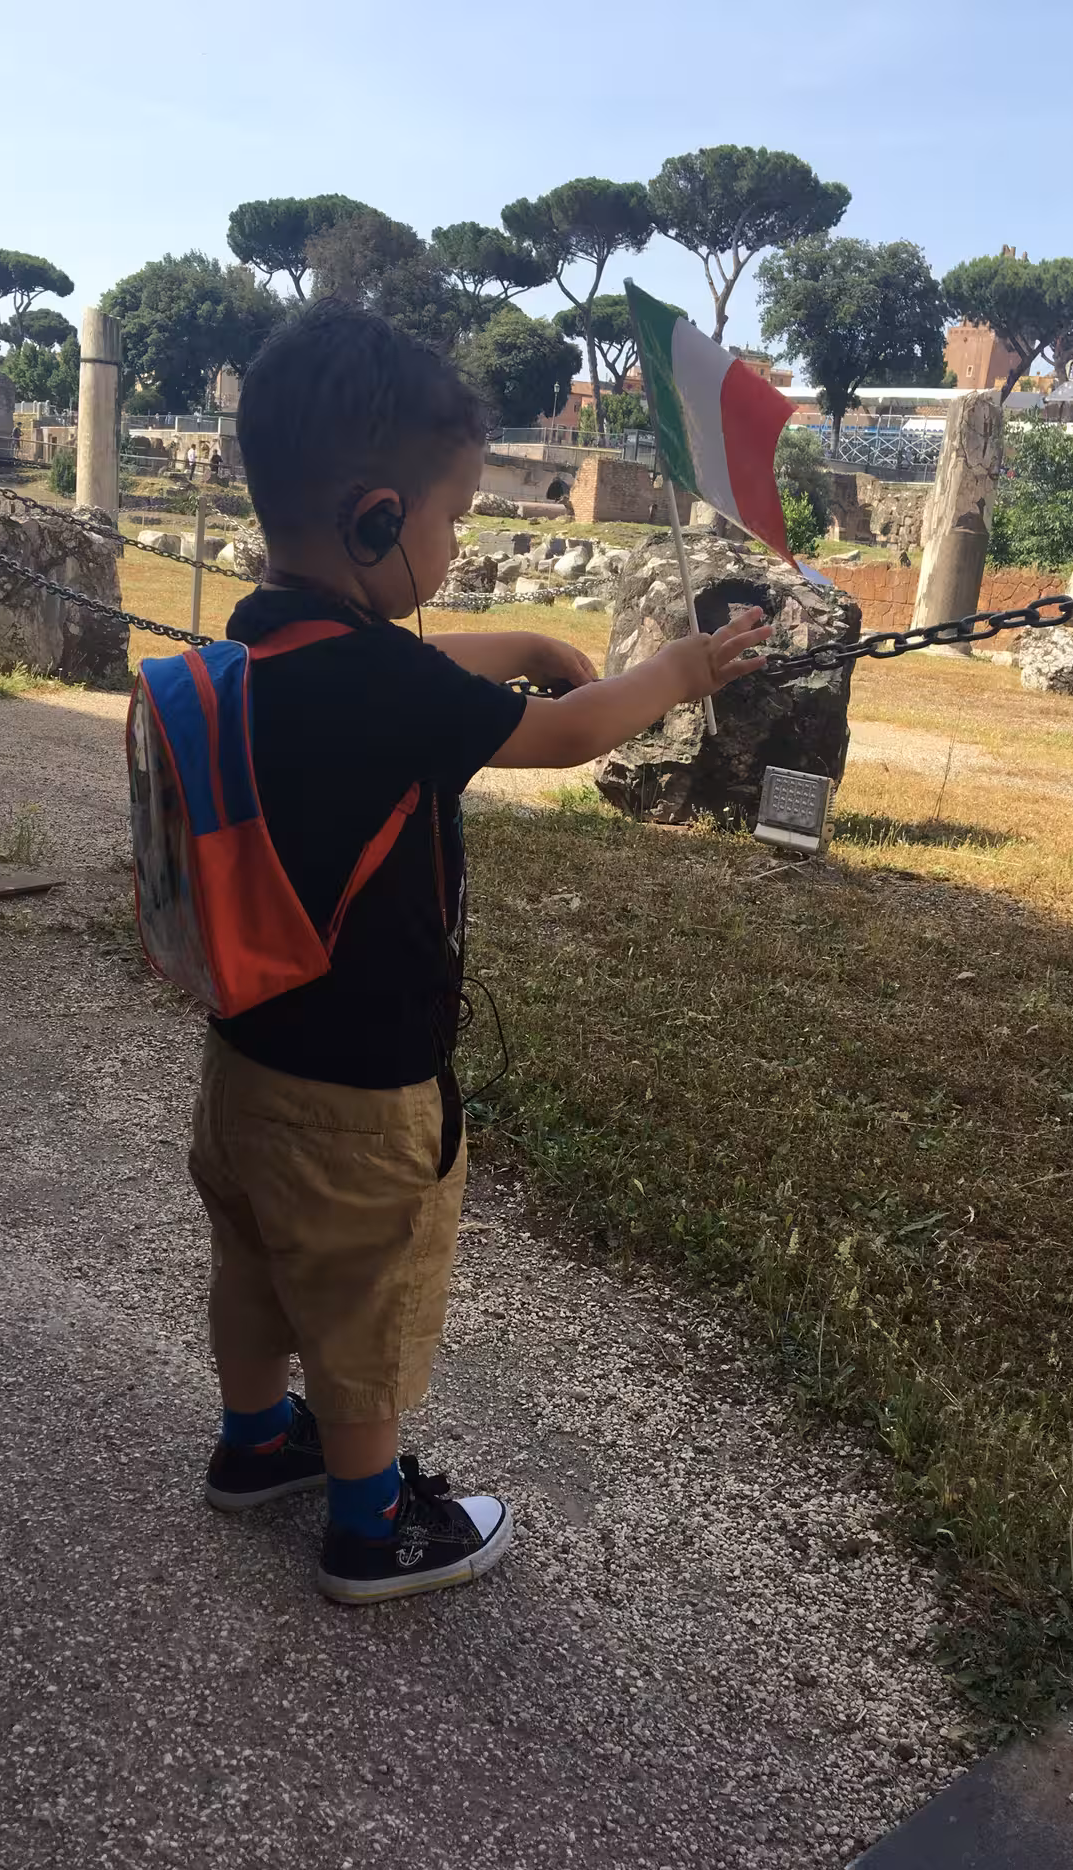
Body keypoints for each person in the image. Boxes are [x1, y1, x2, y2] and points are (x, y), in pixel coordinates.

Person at [192, 299, 769, 1605]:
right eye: (449, 521)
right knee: (363, 1296)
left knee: (254, 1264)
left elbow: (400, 664)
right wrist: (676, 671)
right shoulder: (386, 687)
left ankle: (250, 1445)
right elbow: (567, 738)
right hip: (359, 1094)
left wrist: (512, 644)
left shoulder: (261, 639)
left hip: (244, 1066)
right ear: (381, 520)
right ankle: (366, 1526)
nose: (454, 547)